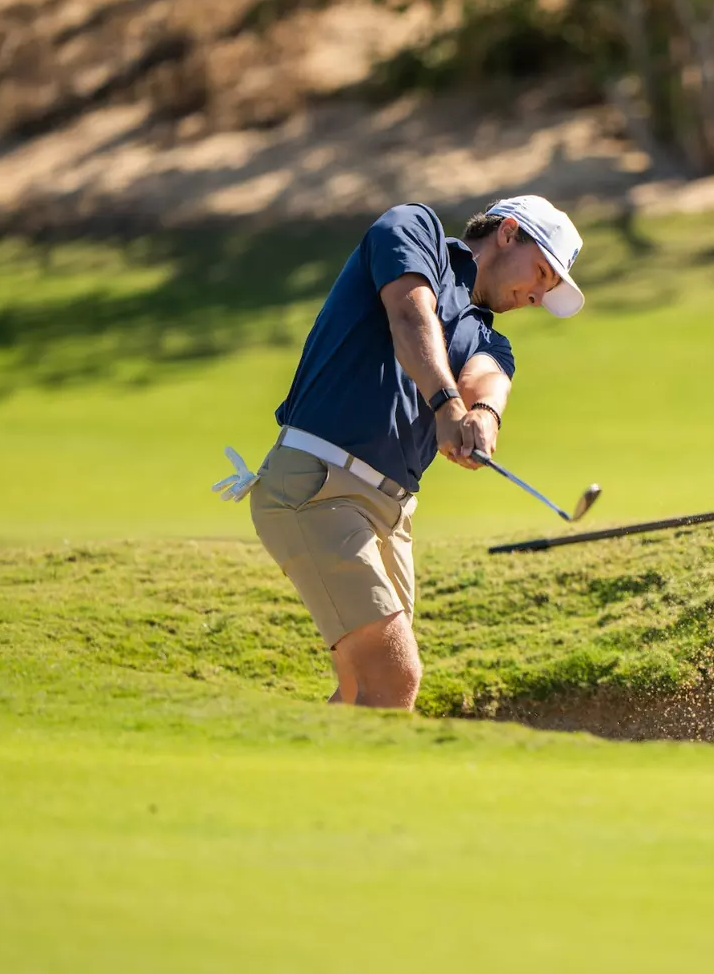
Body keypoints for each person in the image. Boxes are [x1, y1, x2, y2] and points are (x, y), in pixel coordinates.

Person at [213, 196, 585, 710]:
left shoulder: (489, 338)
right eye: (542, 273)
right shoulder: (414, 228)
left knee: (362, 691)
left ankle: (305, 787)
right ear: (507, 233)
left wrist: (483, 416)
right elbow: (411, 315)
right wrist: (447, 402)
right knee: (394, 680)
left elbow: (488, 379)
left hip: (390, 514)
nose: (539, 297)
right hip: (320, 485)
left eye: (549, 290)